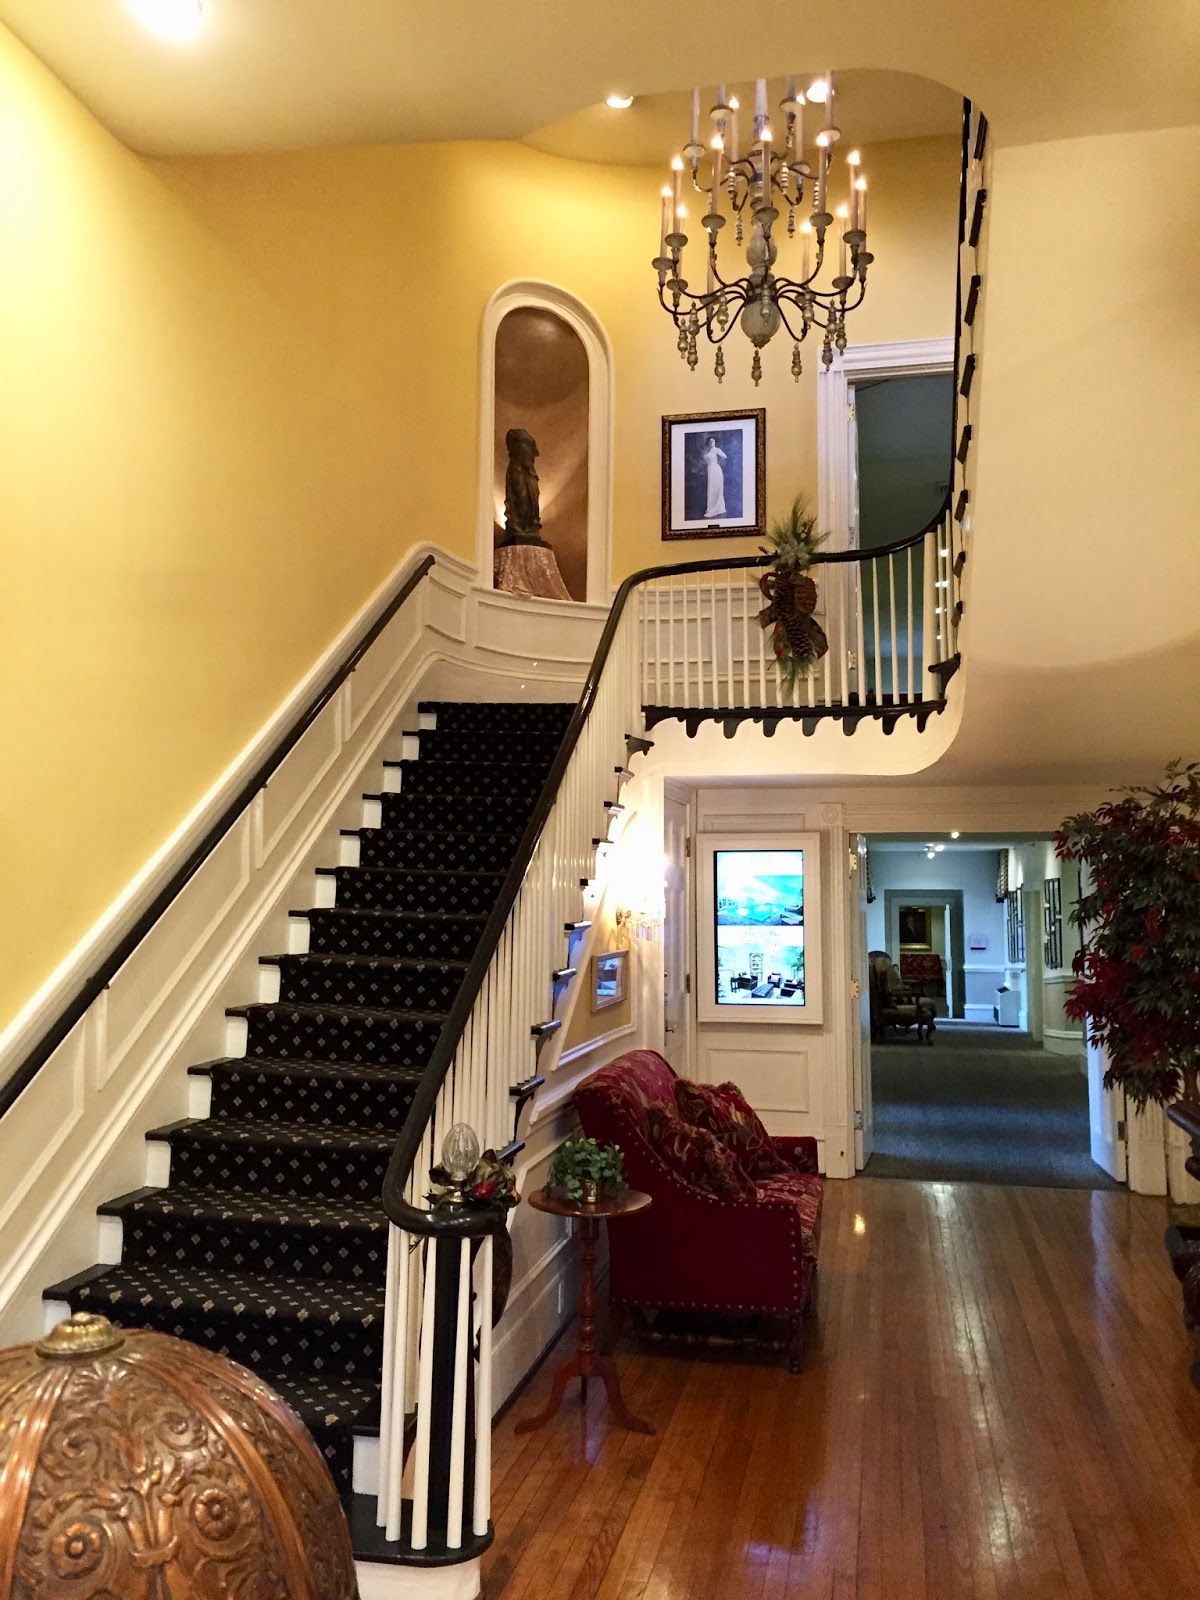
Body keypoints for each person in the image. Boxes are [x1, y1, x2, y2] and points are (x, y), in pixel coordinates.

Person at [702, 435, 727, 519]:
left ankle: (716, 508)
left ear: (715, 442)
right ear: (708, 443)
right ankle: (710, 508)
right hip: (710, 470)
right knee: (711, 488)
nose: (711, 442)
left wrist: (717, 462)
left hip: (716, 470)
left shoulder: (717, 450)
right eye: (710, 441)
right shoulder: (707, 452)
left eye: (713, 441)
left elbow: (724, 456)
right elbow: (705, 461)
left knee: (716, 488)